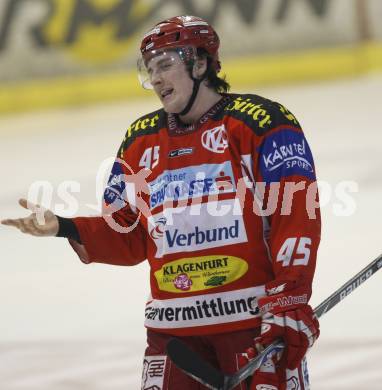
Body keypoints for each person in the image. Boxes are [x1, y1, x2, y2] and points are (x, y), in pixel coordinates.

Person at [1, 15, 320, 390]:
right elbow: (131, 234)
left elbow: (296, 216)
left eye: (165, 64)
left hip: (251, 327)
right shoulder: (139, 140)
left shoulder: (262, 122)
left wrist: (290, 294)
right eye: (150, 69)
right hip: (173, 336)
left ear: (200, 63)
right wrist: (64, 226)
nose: (155, 79)